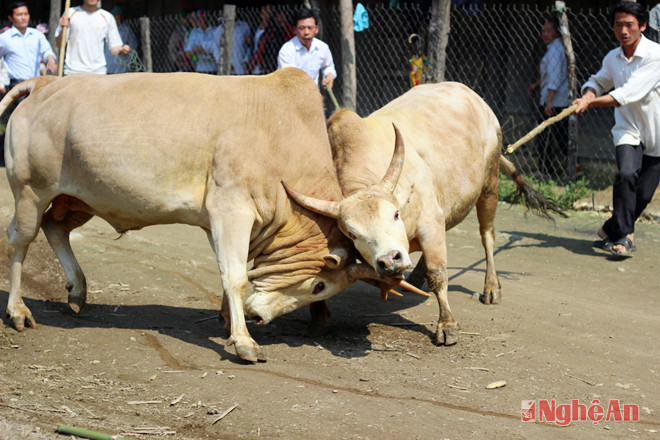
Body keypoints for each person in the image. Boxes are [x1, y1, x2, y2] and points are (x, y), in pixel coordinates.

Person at [573, 1, 660, 257]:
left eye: (629, 25)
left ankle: (609, 229)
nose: (623, 30)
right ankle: (624, 237)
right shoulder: (613, 57)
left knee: (642, 194)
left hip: (656, 133)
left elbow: (628, 93)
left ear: (642, 26)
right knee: (626, 174)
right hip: (628, 129)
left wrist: (589, 103)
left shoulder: (655, 55)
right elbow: (598, 81)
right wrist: (589, 92)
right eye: (618, 24)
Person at [0, 2, 57, 166]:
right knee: (22, 122)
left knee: (38, 120)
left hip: (37, 85)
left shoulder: (36, 35)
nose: (23, 17)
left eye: (25, 14)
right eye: (19, 14)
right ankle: (16, 157)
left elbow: (47, 51)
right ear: (11, 18)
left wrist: (50, 60)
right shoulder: (4, 38)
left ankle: (32, 157)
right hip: (17, 86)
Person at [528, 17, 569, 178]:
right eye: (543, 30)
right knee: (561, 135)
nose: (544, 34)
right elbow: (551, 75)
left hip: (554, 100)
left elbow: (554, 78)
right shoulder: (557, 48)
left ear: (557, 32)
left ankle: (546, 170)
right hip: (558, 98)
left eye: (549, 30)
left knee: (546, 135)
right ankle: (570, 167)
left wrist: (549, 102)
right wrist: (537, 84)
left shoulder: (554, 51)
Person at [55, 0, 131, 75]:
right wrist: (63, 28)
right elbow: (59, 45)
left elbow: (114, 47)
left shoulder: (107, 17)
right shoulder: (70, 13)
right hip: (73, 72)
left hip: (98, 73)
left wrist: (121, 50)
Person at [277, 8, 336, 90]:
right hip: (291, 96)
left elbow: (328, 66)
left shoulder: (322, 47)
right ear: (294, 30)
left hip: (313, 96)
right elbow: (289, 78)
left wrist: (329, 75)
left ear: (316, 29)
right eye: (302, 28)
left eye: (310, 28)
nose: (306, 32)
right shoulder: (287, 50)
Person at [250, 5, 293, 74]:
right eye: (264, 10)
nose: (266, 13)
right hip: (257, 62)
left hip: (269, 65)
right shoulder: (260, 28)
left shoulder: (280, 31)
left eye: (284, 16)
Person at [104, 6, 138, 74]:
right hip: (108, 62)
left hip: (121, 63)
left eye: (120, 16)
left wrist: (127, 50)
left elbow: (133, 44)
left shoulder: (126, 30)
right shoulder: (106, 28)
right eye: (116, 16)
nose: (118, 18)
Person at [184, 10, 218, 74]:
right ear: (198, 20)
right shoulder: (194, 33)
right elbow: (188, 54)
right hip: (201, 69)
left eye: (204, 17)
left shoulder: (214, 31)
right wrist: (195, 50)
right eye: (200, 18)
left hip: (214, 68)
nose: (203, 20)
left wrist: (205, 48)